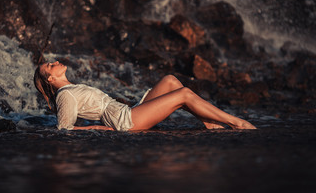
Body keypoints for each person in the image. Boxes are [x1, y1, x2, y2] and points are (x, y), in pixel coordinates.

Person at [34, 61, 256, 131]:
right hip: (124, 121)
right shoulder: (65, 95)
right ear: (50, 79)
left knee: (170, 81)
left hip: (125, 112)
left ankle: (209, 122)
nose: (54, 63)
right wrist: (102, 129)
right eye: (49, 66)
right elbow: (65, 130)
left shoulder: (72, 87)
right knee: (185, 94)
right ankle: (235, 122)